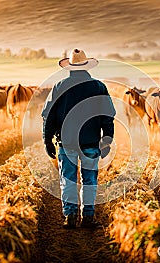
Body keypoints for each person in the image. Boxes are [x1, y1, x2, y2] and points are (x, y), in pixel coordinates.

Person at [41, 49, 115, 229]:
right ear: (86, 66)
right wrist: (106, 139)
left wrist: (47, 139)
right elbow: (108, 115)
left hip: (66, 142)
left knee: (68, 179)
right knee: (89, 179)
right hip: (90, 142)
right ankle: (88, 217)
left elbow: (47, 115)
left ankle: (70, 216)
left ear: (70, 67)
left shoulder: (59, 86)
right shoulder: (98, 86)